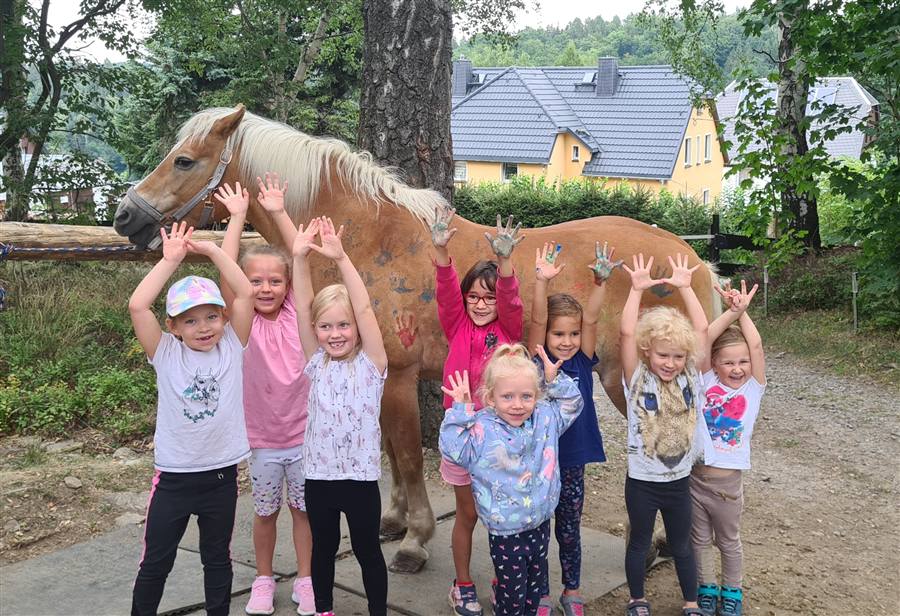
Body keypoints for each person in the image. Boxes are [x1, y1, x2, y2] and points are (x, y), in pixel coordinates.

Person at [128, 222, 254, 616]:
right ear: (173, 327)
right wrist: (171, 260)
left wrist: (215, 251)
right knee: (155, 563)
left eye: (211, 317)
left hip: (221, 477)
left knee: (217, 559)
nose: (204, 327)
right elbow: (137, 306)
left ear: (223, 317)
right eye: (190, 320)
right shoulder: (165, 353)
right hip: (174, 479)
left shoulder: (233, 345)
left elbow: (246, 292)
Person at [215, 174, 315, 616]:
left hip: (306, 437)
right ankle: (262, 579)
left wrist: (276, 211)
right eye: (256, 281)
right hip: (261, 441)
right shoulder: (241, 322)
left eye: (275, 281)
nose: (266, 288)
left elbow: (300, 257)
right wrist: (237, 219)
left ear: (287, 287)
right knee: (265, 513)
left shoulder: (298, 313)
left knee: (303, 513)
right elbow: (228, 274)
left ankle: (308, 580)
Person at [439, 344, 584, 616]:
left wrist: (554, 381)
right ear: (491, 398)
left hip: (540, 523)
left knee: (534, 594)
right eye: (507, 397)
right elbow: (453, 450)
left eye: (526, 396)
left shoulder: (545, 417)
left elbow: (573, 403)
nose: (517, 405)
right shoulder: (482, 428)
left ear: (537, 396)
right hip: (506, 532)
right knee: (511, 598)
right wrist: (460, 411)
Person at [291, 216, 389, 616]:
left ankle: (378, 611)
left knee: (368, 550)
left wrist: (342, 258)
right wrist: (299, 259)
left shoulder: (372, 364)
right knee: (323, 551)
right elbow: (301, 304)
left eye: (344, 325)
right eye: (327, 326)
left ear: (357, 328)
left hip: (360, 479)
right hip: (319, 478)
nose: (336, 333)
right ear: (316, 329)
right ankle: (324, 609)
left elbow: (363, 305)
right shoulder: (315, 362)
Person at [430, 207, 525, 616]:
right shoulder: (457, 325)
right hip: (463, 437)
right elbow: (446, 290)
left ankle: (504, 578)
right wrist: (440, 250)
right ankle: (463, 582)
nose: (481, 304)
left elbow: (510, 297)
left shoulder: (509, 330)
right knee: (467, 513)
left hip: (500, 440)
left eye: (488, 298)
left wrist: (505, 263)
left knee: (501, 516)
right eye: (474, 297)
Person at [526, 241, 621, 616]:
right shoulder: (537, 361)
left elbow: (593, 320)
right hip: (536, 464)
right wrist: (541, 282)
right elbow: (536, 319)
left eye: (573, 334)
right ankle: (541, 592)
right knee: (535, 531)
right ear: (545, 338)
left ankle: (572, 589)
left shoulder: (582, 360)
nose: (566, 342)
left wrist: (600, 283)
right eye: (558, 335)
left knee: (568, 528)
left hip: (572, 461)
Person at [619, 253, 709, 616]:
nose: (669, 363)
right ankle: (637, 599)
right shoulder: (637, 379)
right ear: (647, 351)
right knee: (639, 542)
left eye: (676, 356)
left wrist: (687, 289)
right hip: (642, 481)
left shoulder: (691, 377)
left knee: (682, 545)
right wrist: (636, 290)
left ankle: (690, 602)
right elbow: (626, 331)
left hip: (678, 481)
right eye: (662, 355)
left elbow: (701, 331)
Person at [692, 280, 764, 616]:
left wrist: (743, 315)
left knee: (729, 542)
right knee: (699, 541)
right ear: (715, 365)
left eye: (743, 362)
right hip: (695, 479)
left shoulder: (752, 390)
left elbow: (757, 346)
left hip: (727, 486)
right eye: (729, 363)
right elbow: (704, 338)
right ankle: (705, 587)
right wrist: (730, 314)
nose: (737, 369)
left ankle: (732, 590)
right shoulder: (705, 382)